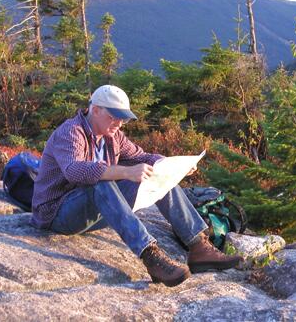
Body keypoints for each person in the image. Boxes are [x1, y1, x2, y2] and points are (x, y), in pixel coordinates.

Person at [31, 84, 242, 287]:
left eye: (123, 118)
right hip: (56, 214)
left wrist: (172, 165)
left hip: (94, 210)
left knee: (157, 174)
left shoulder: (113, 137)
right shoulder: (71, 132)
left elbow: (141, 157)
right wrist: (125, 172)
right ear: (95, 110)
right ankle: (151, 257)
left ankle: (198, 247)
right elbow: (75, 170)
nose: (120, 123)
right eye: (114, 117)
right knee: (99, 184)